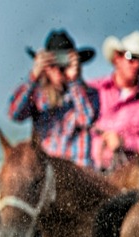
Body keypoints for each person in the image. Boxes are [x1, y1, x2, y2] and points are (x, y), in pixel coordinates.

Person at [8, 29, 100, 168]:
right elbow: (15, 114)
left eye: (63, 63)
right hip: (46, 170)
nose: (58, 69)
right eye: (52, 64)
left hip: (78, 172)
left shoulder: (89, 94)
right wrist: (33, 76)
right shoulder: (37, 95)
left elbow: (86, 120)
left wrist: (74, 81)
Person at [90, 30, 139, 170]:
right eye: (131, 57)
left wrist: (124, 141)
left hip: (124, 178)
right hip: (86, 171)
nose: (137, 65)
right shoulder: (93, 89)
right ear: (117, 57)